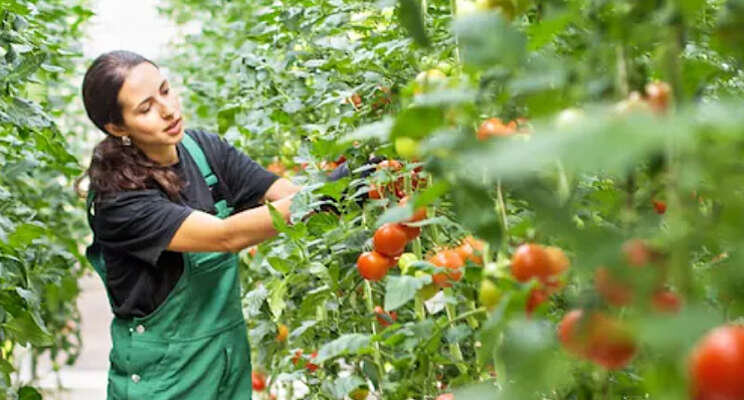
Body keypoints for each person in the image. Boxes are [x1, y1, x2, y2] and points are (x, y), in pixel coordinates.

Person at [80, 50, 304, 399]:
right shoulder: (118, 199)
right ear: (117, 127)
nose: (168, 109)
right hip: (164, 374)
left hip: (227, 359)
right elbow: (225, 236)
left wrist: (350, 186)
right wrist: (330, 193)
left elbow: (288, 195)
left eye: (166, 90)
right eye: (146, 108)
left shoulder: (205, 151)